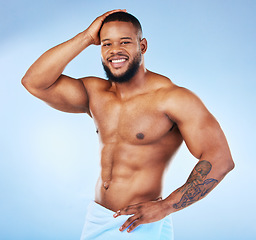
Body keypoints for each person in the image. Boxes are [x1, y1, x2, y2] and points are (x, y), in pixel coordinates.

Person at [22, 9, 234, 240]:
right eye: (106, 44)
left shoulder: (172, 98)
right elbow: (34, 82)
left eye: (125, 42)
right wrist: (86, 37)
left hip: (137, 222)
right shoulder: (96, 93)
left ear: (142, 46)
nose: (115, 51)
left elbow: (220, 157)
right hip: (98, 217)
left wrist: (166, 207)